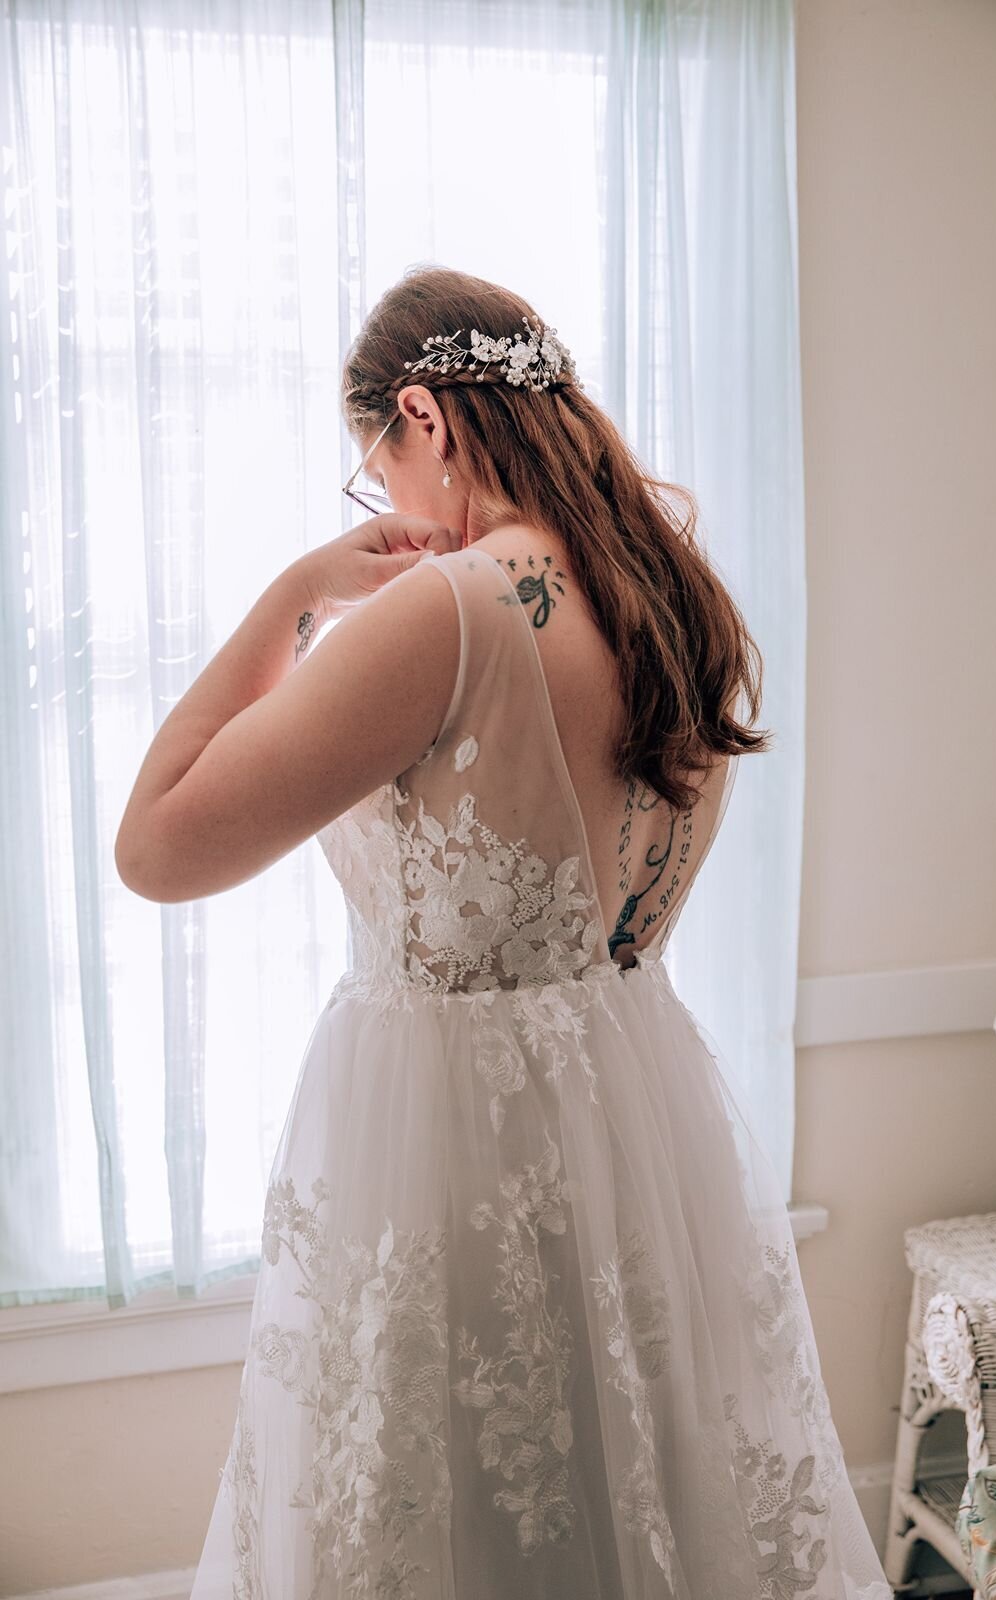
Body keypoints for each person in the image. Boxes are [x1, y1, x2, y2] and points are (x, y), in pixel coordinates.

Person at [118, 265, 893, 1597]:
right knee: (635, 1485)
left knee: (475, 1519)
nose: (386, 514)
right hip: (633, 1117)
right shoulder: (671, 592)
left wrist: (297, 593)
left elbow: (157, 847)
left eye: (373, 475)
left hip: (451, 1146)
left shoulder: (446, 612)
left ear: (421, 417)